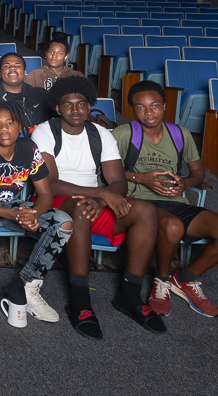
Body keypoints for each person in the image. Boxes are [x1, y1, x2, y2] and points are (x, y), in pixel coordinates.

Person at [31, 76, 164, 339]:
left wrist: (102, 199)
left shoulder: (102, 134)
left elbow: (117, 181)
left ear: (89, 106)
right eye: (68, 105)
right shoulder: (45, 131)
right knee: (80, 208)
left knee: (146, 211)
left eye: (81, 103)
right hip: (56, 200)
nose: (76, 109)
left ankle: (130, 295)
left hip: (94, 201)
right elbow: (51, 184)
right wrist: (99, 194)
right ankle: (80, 300)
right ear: (58, 108)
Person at [115, 80, 218, 318]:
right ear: (133, 109)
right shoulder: (124, 134)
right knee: (172, 226)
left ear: (164, 105)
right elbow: (106, 172)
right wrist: (140, 178)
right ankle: (161, 280)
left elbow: (198, 173)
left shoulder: (179, 134)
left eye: (154, 105)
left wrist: (186, 183)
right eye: (141, 107)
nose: (149, 112)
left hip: (176, 203)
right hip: (139, 204)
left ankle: (184, 278)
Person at [0, 101, 73, 324]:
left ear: (20, 126)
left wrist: (34, 214)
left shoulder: (29, 149)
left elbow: (45, 194)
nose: (4, 129)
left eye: (10, 123)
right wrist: (14, 216)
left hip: (16, 207)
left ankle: (28, 286)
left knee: (64, 222)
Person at [0, 52, 52, 132]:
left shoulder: (41, 94)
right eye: (7, 66)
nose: (12, 68)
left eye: (18, 66)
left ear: (25, 72)